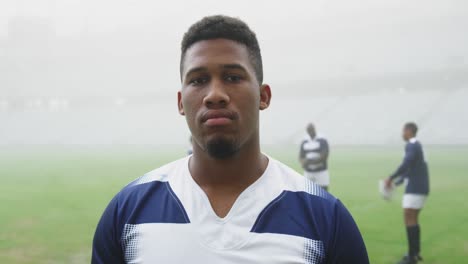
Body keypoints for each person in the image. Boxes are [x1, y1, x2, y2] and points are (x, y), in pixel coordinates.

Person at [92, 15, 369, 263]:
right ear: (180, 102)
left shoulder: (324, 218)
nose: (214, 94)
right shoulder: (127, 213)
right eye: (198, 80)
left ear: (263, 96)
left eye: (233, 77)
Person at [385, 122, 430, 264]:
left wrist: (390, 177)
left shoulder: (412, 144)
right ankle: (415, 253)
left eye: (403, 130)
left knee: (409, 217)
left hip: (415, 188)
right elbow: (411, 169)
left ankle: (411, 257)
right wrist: (396, 182)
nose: (402, 133)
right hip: (421, 186)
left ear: (409, 131)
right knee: (413, 218)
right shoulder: (417, 145)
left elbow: (406, 164)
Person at [299, 123, 330, 191]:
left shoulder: (322, 139)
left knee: (323, 193)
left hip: (321, 172)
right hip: (308, 172)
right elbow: (301, 156)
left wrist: (309, 162)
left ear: (314, 129)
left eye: (311, 130)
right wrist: (303, 162)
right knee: (308, 194)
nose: (310, 132)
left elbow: (324, 156)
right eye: (308, 130)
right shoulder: (305, 141)